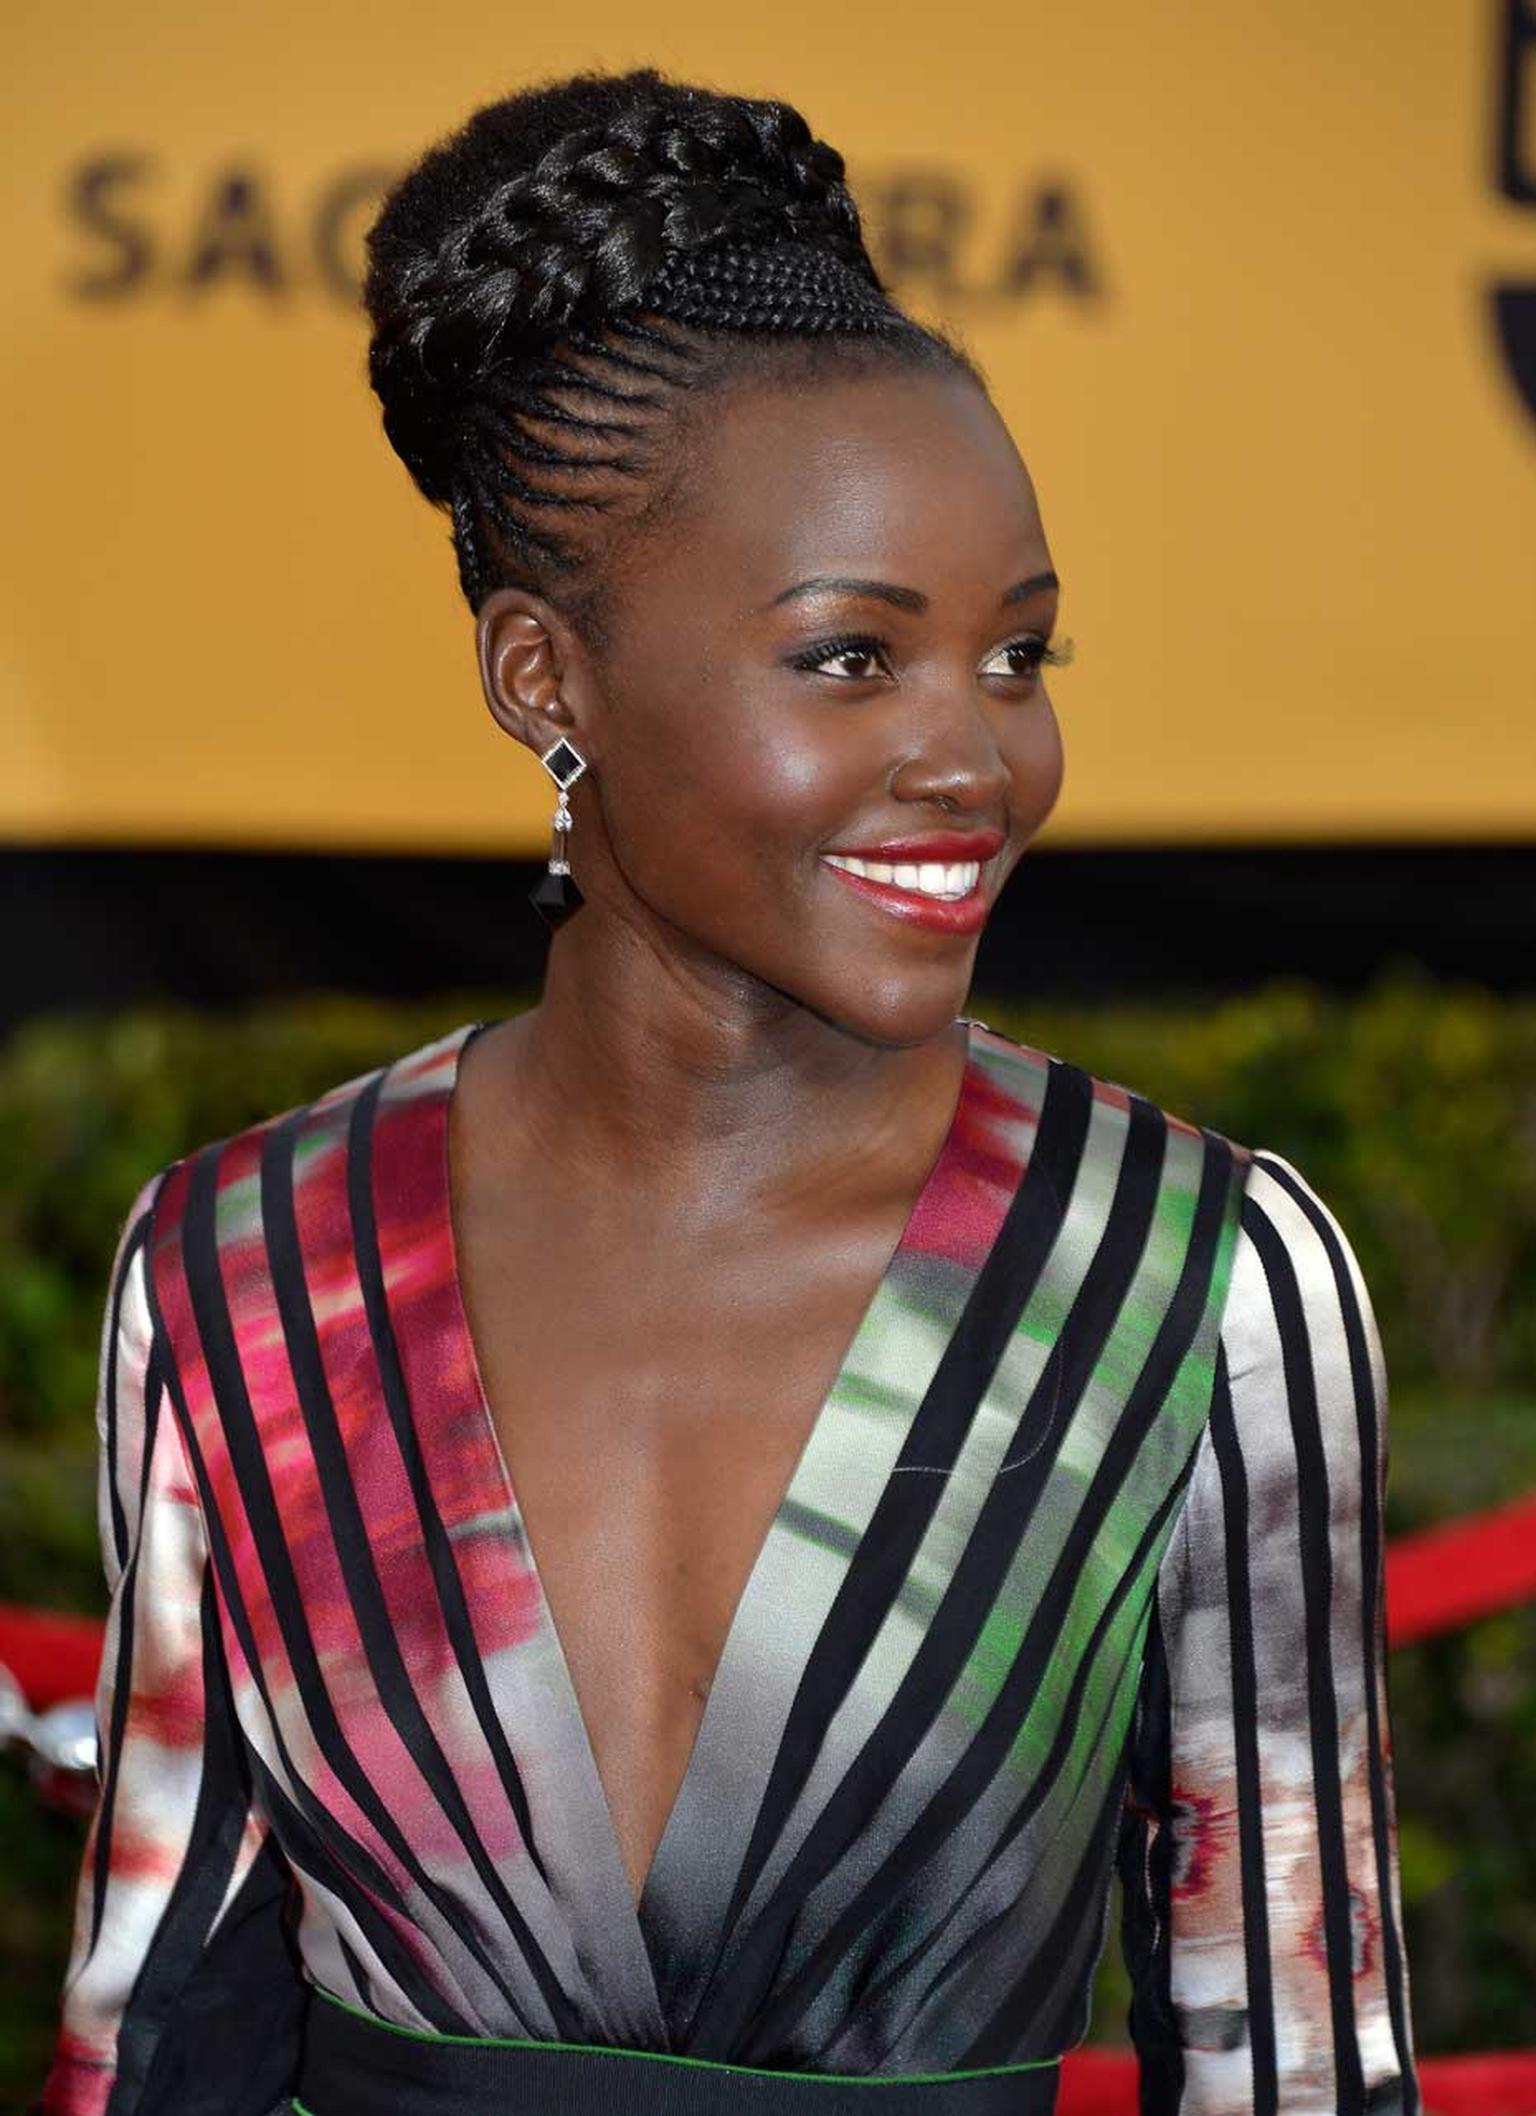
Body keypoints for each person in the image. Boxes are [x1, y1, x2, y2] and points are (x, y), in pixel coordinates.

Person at [40, 66, 1419, 2116]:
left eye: (1019, 656)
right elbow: (161, 2027)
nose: (980, 759)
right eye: (855, 657)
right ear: (546, 678)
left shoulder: (1200, 1285)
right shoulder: (247, 1272)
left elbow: (1297, 2058)